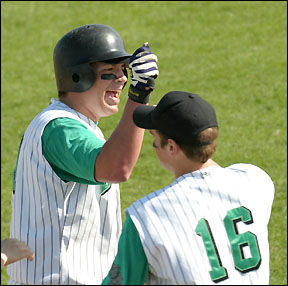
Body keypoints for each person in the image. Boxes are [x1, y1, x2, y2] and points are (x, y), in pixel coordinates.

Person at [7, 24, 159, 285]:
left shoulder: (75, 127)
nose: (122, 79)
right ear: (78, 76)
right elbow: (117, 168)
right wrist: (138, 97)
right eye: (109, 73)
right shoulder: (59, 129)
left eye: (123, 71)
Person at [102, 91, 275, 285]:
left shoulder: (145, 217)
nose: (153, 147)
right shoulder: (256, 182)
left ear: (171, 147)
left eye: (154, 139)